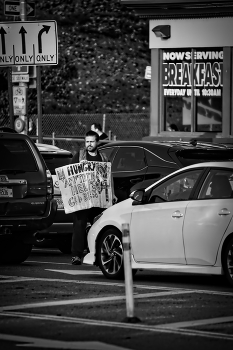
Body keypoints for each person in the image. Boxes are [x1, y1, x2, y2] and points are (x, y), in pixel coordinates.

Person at [70, 130, 117, 265]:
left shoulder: (103, 157)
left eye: (91, 141)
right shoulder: (79, 155)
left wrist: (112, 194)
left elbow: (109, 177)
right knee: (79, 225)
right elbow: (70, 174)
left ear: (97, 142)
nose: (89, 144)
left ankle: (97, 255)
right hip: (83, 198)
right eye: (87, 141)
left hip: (98, 199)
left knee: (98, 226)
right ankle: (76, 255)